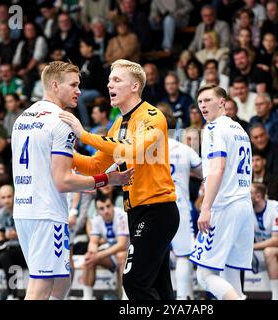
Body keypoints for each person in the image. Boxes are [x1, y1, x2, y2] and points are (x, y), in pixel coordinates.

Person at [11, 61, 133, 300]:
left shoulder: (22, 118)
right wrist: (107, 179)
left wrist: (81, 177)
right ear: (55, 85)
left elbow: (46, 168)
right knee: (40, 286)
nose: (79, 90)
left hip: (24, 209)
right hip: (46, 211)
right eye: (74, 85)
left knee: (62, 280)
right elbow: (62, 181)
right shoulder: (62, 121)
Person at [59, 59, 179, 300]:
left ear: (135, 86)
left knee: (134, 281)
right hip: (136, 212)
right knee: (159, 287)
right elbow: (95, 165)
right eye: (109, 79)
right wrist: (63, 155)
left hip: (158, 210)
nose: (109, 84)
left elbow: (132, 150)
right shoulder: (117, 124)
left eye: (116, 80)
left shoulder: (153, 117)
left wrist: (84, 134)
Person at [189, 84, 254, 300]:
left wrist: (205, 207)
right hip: (244, 205)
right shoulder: (240, 130)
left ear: (222, 102)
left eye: (207, 100)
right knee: (231, 274)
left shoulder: (213, 128)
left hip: (224, 205)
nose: (202, 106)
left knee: (204, 275)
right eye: (200, 102)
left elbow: (218, 168)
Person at [163, 111, 202, 299]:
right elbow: (205, 173)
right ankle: (182, 299)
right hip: (179, 205)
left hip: (151, 207)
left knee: (150, 256)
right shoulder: (184, 149)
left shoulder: (145, 150)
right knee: (182, 255)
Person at [82, 193, 129, 300]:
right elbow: (93, 242)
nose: (106, 211)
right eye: (101, 208)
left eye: (108, 206)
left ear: (112, 205)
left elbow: (122, 245)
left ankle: (126, 298)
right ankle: (87, 297)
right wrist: (92, 254)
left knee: (121, 255)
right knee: (89, 259)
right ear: (97, 211)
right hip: (112, 253)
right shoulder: (96, 219)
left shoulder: (122, 216)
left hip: (129, 253)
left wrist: (98, 255)